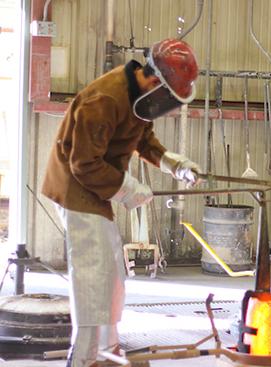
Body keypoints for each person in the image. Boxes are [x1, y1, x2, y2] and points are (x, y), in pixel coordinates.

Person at [42, 38, 201, 367]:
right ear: (157, 82)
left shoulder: (138, 95)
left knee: (112, 273)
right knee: (93, 275)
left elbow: (141, 136)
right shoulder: (104, 100)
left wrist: (174, 164)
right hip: (77, 188)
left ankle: (109, 350)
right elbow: (83, 164)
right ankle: (85, 357)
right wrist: (127, 187)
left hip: (96, 187)